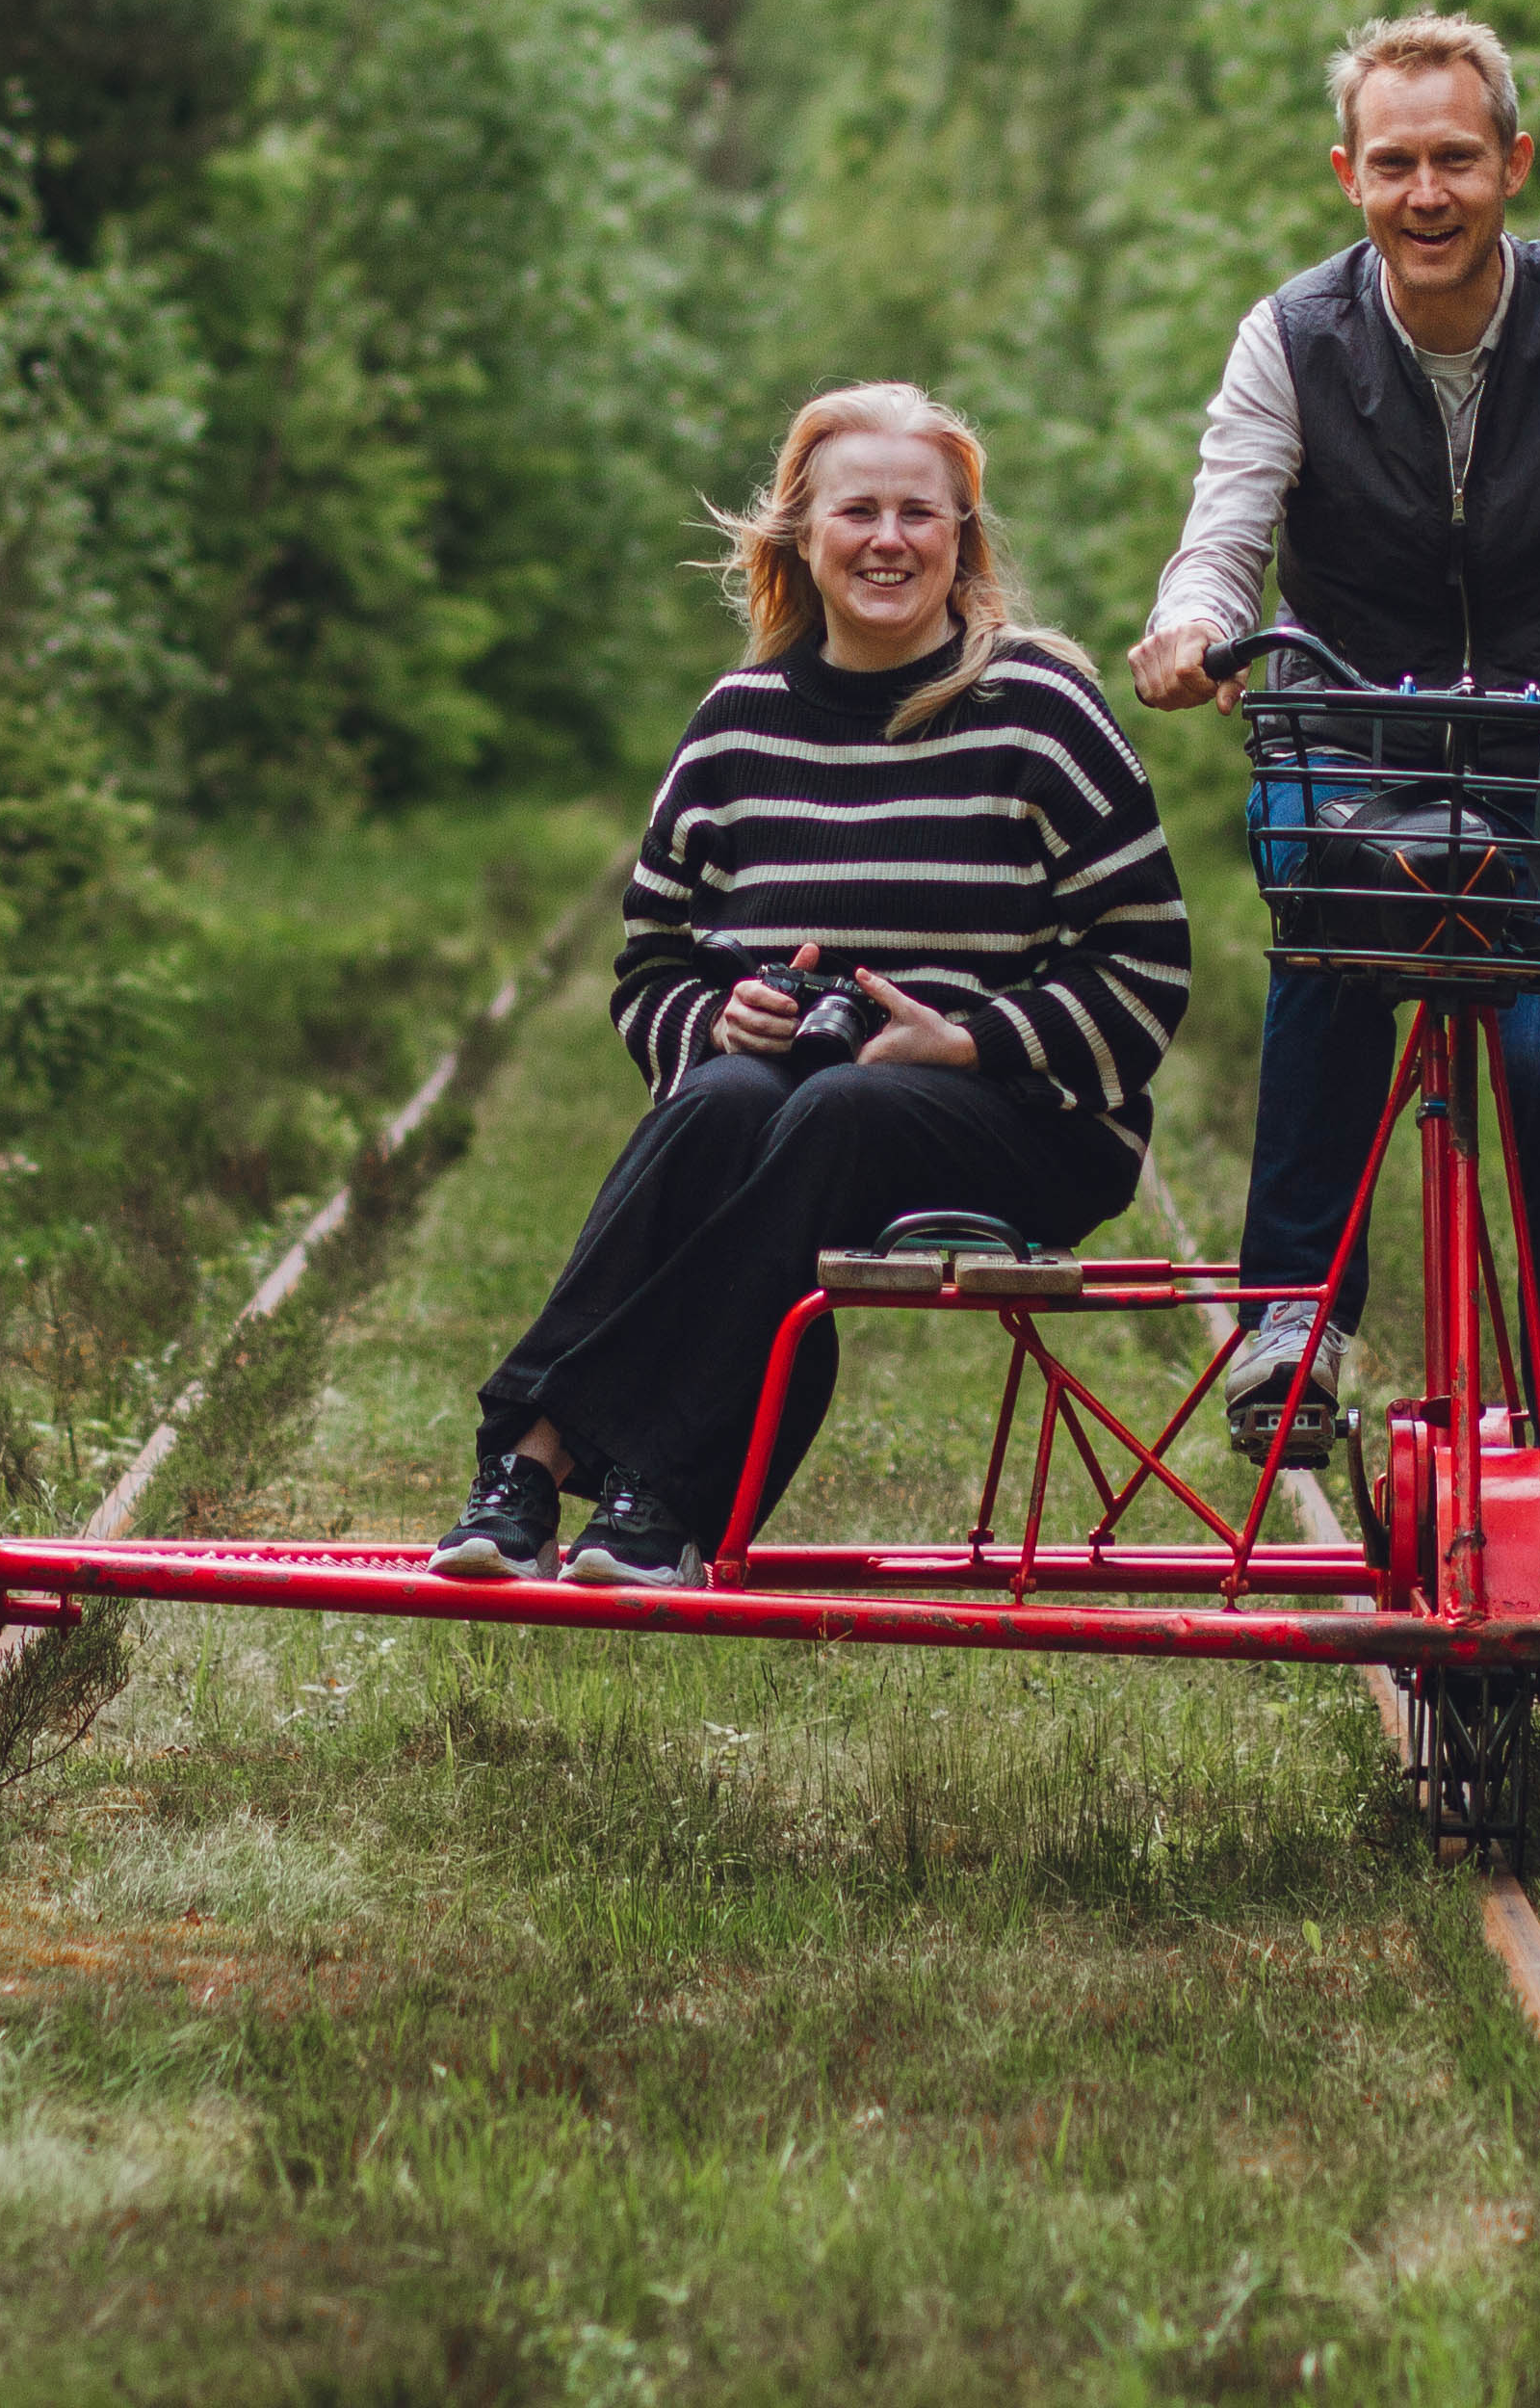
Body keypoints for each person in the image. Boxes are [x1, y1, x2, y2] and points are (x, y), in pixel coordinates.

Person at [1123, 12, 1540, 1696]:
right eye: (1393, 162)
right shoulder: (1287, 334)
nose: (1426, 192)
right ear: (1347, 171)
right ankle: (1294, 1313)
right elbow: (1222, 527)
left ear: (1510, 162)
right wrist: (1191, 627)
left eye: (1455, 157)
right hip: (1352, 747)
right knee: (1333, 943)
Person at [434, 383, 1192, 1587]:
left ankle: (630, 1482)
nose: (888, 540)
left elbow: (1146, 967)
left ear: (962, 540)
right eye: (857, 513)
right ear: (800, 536)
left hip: (1027, 1125)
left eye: (919, 514)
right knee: (730, 1099)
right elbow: (650, 969)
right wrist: (714, 1019)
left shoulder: (1041, 712)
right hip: (786, 1114)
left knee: (838, 1106)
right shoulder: (735, 728)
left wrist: (966, 1040)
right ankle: (548, 1476)